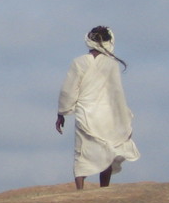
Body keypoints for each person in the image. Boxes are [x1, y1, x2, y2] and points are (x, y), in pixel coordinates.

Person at [56, 26, 140, 189]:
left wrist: (61, 113)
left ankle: (80, 189)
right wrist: (124, 119)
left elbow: (68, 89)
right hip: (106, 114)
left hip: (85, 112)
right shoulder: (111, 64)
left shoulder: (79, 62)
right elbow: (117, 95)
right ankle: (104, 188)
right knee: (107, 149)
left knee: (82, 151)